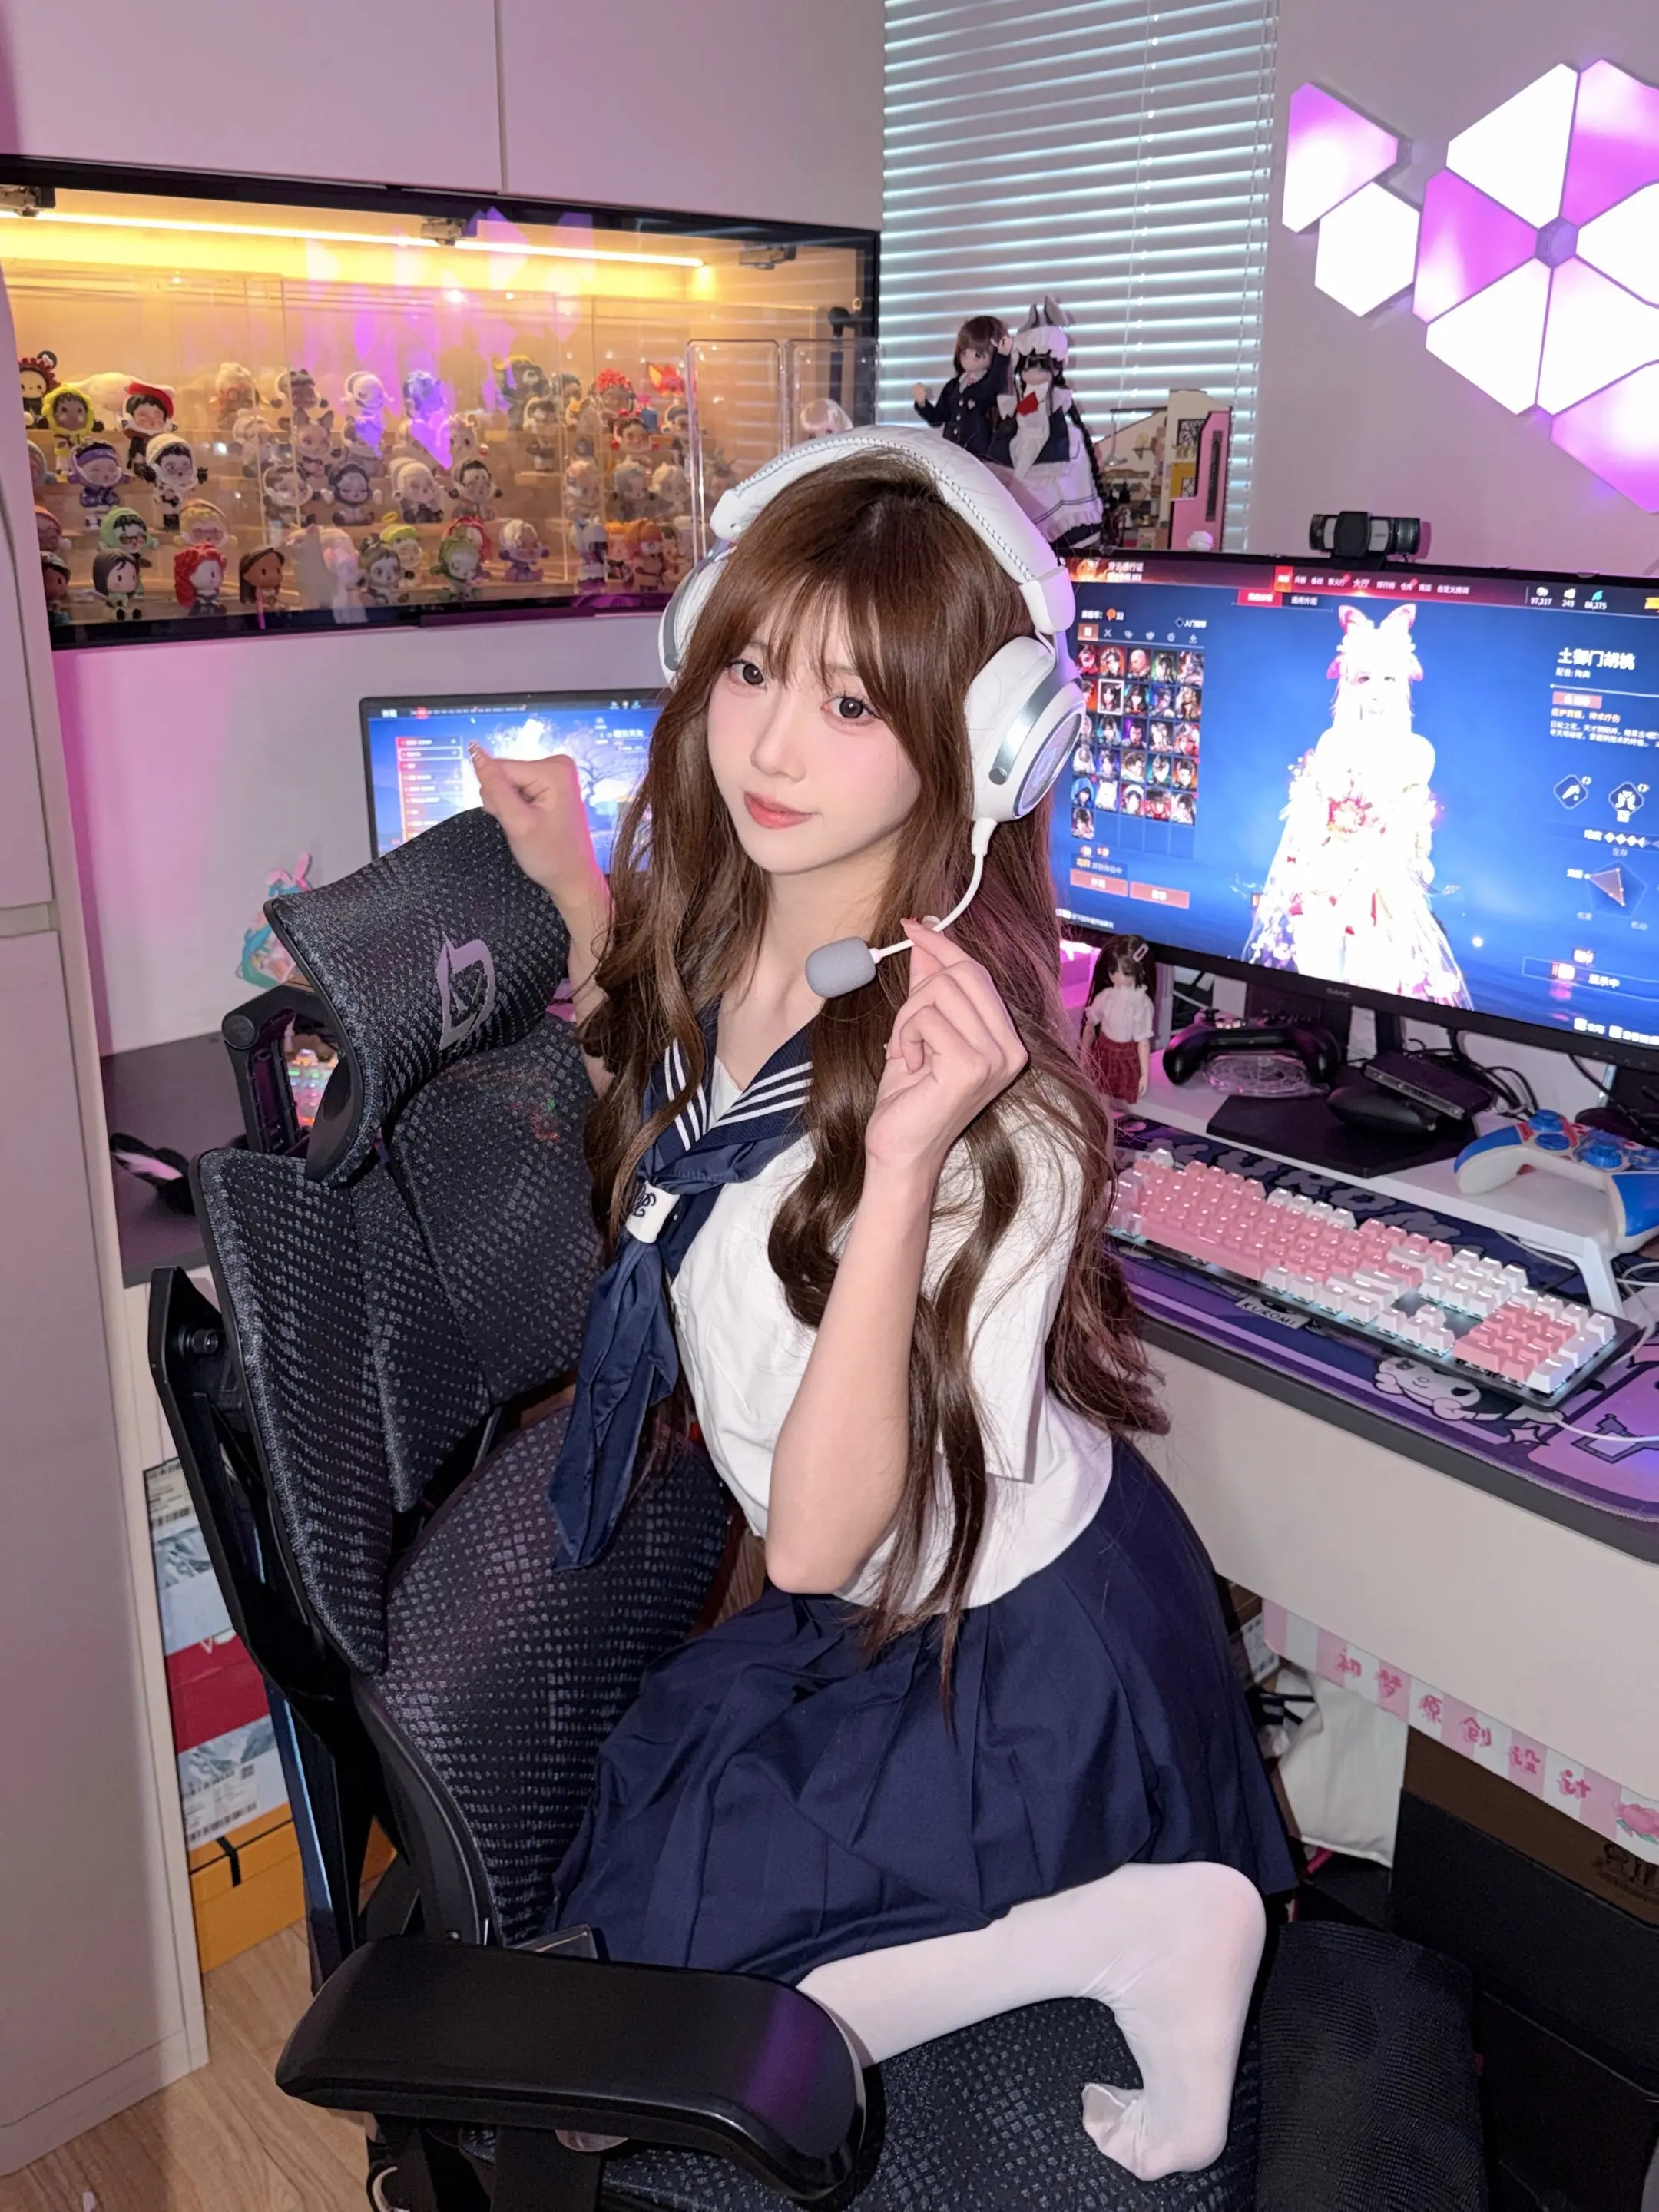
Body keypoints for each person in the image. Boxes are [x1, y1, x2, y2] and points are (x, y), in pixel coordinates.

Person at [475, 444, 1293, 2182]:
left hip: (1005, 1650)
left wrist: (907, 1162)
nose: (770, 748)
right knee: (623, 1987)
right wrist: (572, 895)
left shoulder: (995, 1125)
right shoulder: (744, 940)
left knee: (664, 2064)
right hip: (873, 1610)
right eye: (750, 670)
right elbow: (676, 1098)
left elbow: (815, 1540)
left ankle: (1146, 1931)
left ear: (979, 744)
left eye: (850, 704)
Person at [1082, 936, 1156, 1104]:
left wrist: (1144, 1075)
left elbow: (1143, 1041)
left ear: (1139, 972)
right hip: (1103, 1051)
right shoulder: (1105, 997)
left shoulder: (1141, 1003)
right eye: (1113, 970)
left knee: (1123, 1097)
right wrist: (1084, 1054)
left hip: (1126, 1056)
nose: (1117, 976)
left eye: (1125, 972)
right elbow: (1090, 1026)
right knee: (1100, 1093)